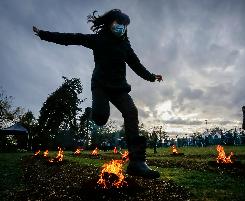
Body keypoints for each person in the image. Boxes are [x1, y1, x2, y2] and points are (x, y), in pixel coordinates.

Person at [33, 9, 162, 178]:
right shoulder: (98, 39)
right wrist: (43, 34)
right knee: (101, 118)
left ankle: (137, 163)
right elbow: (72, 38)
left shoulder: (125, 45)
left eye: (124, 26)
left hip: (119, 89)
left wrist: (152, 77)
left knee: (132, 112)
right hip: (100, 86)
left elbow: (136, 65)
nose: (121, 28)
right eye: (118, 24)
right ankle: (95, 112)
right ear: (109, 24)